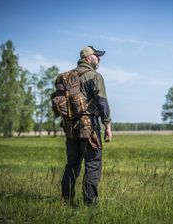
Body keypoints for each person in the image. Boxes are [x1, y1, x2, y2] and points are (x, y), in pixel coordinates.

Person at [61, 45, 112, 206]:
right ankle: (90, 205)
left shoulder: (67, 76)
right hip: (89, 127)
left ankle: (66, 201)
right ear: (88, 58)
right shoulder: (95, 76)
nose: (99, 59)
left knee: (72, 165)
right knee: (93, 164)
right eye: (97, 55)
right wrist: (107, 124)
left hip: (70, 128)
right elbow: (102, 102)